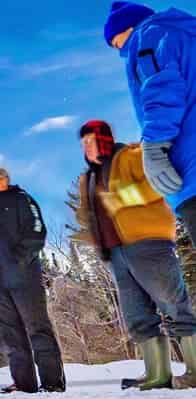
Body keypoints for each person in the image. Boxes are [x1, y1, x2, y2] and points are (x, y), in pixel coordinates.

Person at [75, 121, 196, 389]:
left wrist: (119, 197)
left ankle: (195, 369)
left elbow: (158, 185)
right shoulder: (89, 177)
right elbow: (92, 215)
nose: (86, 147)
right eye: (83, 143)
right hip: (115, 252)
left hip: (147, 242)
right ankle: (157, 374)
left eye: (91, 140)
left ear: (104, 139)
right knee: (137, 315)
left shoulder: (131, 156)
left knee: (174, 305)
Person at [0, 166, 66, 393]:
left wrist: (21, 260)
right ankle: (23, 383)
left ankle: (52, 383)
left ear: (6, 179)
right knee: (11, 335)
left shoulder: (22, 199)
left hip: (24, 277)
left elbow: (37, 231)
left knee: (37, 329)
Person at [104, 3, 196, 239]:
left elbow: (162, 88)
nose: (119, 51)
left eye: (116, 42)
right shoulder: (185, 34)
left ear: (128, 27)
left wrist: (153, 147)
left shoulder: (149, 36)